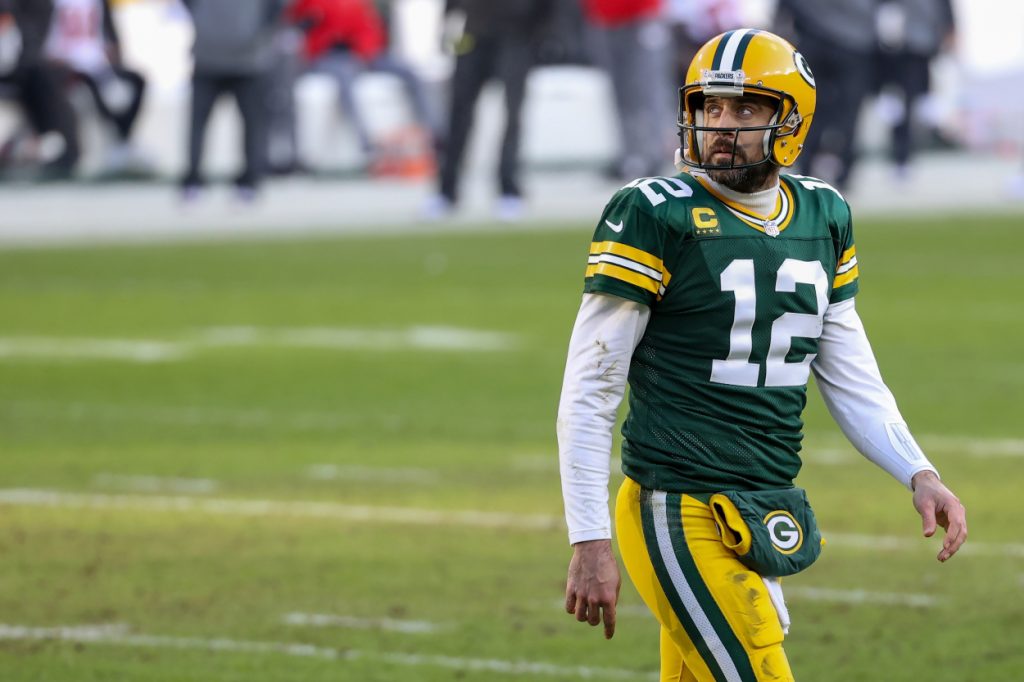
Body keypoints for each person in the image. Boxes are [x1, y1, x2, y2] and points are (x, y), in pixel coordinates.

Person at [556, 29, 967, 681]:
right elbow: (591, 385)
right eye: (709, 108)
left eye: (745, 110)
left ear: (792, 120)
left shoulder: (823, 214)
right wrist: (588, 535)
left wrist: (917, 470)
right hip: (675, 503)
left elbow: (848, 369)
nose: (721, 126)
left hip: (761, 502)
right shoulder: (653, 213)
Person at [423, 0, 555, 222]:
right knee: (458, 113)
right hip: (472, 32)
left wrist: (544, 35)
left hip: (517, 33)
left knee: (512, 114)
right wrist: (446, 27)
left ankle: (509, 189)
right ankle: (446, 191)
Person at [180, 0, 286, 201]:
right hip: (208, 56)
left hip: (248, 59)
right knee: (198, 123)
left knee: (253, 123)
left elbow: (275, 8)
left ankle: (250, 180)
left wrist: (258, 32)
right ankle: (193, 179)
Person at [774, 0, 876, 192]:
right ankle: (841, 171)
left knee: (810, 107)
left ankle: (807, 169)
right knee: (846, 110)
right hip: (851, 40)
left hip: (817, 36)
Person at [43, 0, 149, 175]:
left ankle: (123, 140)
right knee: (92, 88)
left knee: (136, 80)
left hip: (96, 62)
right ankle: (76, 152)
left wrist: (114, 54)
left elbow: (109, 34)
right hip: (65, 63)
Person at [582, 0, 674, 182]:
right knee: (621, 95)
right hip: (605, 19)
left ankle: (653, 155)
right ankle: (630, 157)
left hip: (642, 17)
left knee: (647, 90)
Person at [0, 0, 80, 180]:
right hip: (19, 70)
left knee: (45, 80)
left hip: (23, 70)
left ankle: (51, 151)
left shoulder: (40, 7)